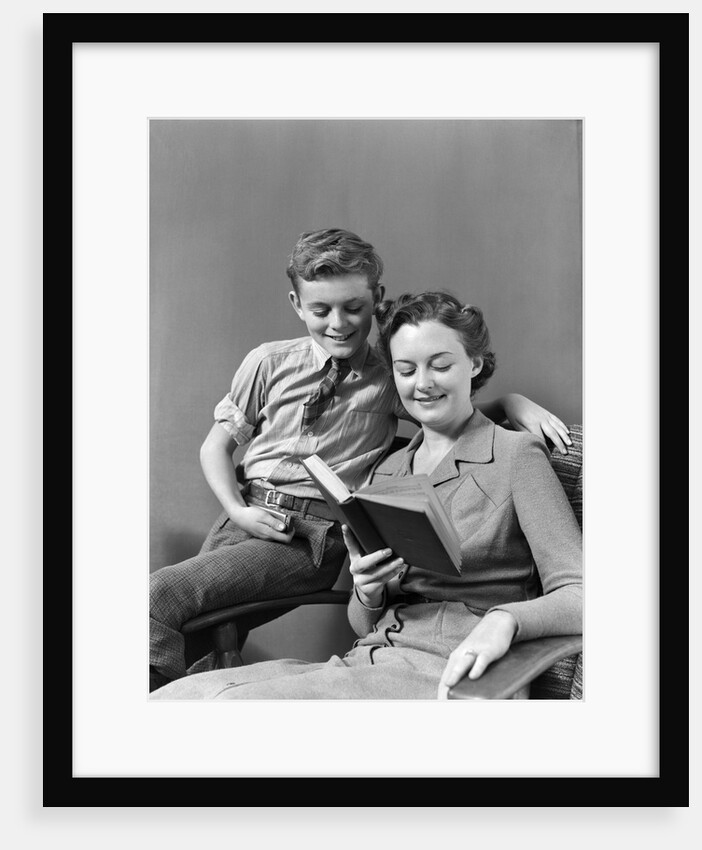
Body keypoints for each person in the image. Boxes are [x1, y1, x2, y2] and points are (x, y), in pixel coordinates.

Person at [150, 230, 572, 691]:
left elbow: (583, 592)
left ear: (474, 365)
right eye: (407, 370)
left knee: (188, 648)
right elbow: (364, 618)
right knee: (189, 688)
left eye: (441, 364)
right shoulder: (386, 472)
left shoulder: (515, 455)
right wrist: (368, 589)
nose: (422, 383)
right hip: (364, 656)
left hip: (445, 668)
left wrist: (506, 620)